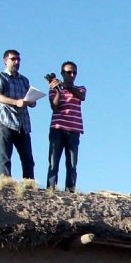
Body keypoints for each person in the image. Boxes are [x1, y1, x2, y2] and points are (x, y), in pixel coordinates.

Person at [0, 49, 37, 179]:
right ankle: (6, 183)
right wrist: (15, 102)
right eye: (13, 59)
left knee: (28, 159)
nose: (16, 62)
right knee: (5, 156)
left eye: (18, 59)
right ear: (6, 61)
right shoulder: (1, 76)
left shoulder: (24, 80)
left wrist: (31, 101)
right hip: (5, 121)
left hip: (23, 124)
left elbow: (30, 100)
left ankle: (29, 185)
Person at [46, 60, 86, 191]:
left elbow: (81, 96)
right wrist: (58, 90)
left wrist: (65, 86)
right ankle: (51, 189)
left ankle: (70, 189)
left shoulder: (80, 88)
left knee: (72, 164)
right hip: (58, 128)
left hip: (74, 130)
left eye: (74, 72)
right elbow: (54, 106)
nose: (72, 75)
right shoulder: (54, 89)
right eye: (69, 72)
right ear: (63, 73)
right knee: (53, 162)